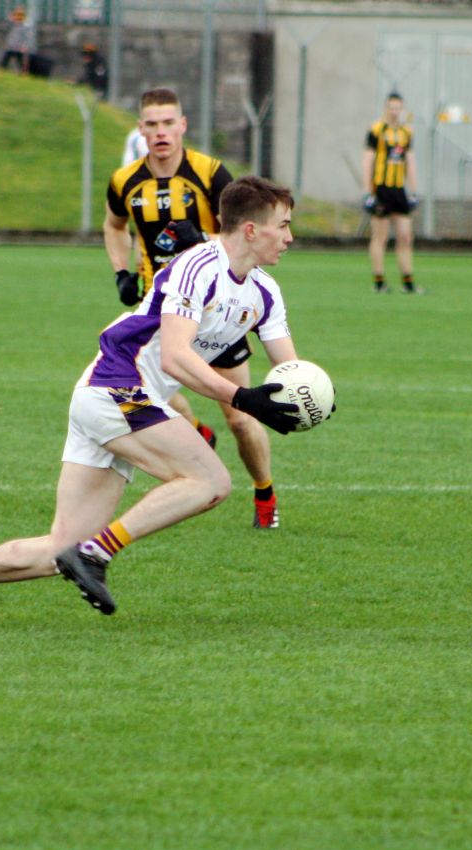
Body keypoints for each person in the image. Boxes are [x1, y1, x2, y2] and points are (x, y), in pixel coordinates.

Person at [0, 177, 303, 626]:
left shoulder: (265, 291)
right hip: (117, 387)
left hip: (118, 400)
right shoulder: (198, 267)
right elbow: (175, 355)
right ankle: (97, 554)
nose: (289, 237)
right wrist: (244, 398)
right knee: (210, 480)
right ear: (250, 229)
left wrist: (308, 399)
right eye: (282, 226)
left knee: (59, 550)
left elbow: (292, 369)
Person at [103, 88, 282, 530]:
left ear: (183, 125)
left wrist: (199, 242)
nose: (160, 132)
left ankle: (265, 493)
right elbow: (113, 225)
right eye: (151, 124)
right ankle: (196, 436)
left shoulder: (209, 173)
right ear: (140, 129)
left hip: (218, 313)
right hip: (161, 312)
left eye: (168, 123)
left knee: (241, 418)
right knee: (152, 390)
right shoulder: (124, 180)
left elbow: (243, 231)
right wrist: (120, 271)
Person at [361, 92, 420, 294]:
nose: (395, 112)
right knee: (381, 236)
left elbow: (410, 162)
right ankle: (379, 281)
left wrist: (413, 190)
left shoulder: (406, 132)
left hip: (398, 190)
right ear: (386, 108)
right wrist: (368, 191)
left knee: (405, 236)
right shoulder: (377, 130)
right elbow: (368, 160)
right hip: (381, 188)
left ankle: (408, 282)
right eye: (391, 108)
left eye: (398, 108)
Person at [0, 7, 34, 74]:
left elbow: (27, 38)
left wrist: (25, 46)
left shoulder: (25, 26)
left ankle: (24, 73)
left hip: (19, 47)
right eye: (16, 16)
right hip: (11, 46)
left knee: (20, 61)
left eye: (19, 17)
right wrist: (11, 18)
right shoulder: (12, 24)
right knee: (5, 59)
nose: (17, 19)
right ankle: (1, 71)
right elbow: (6, 24)